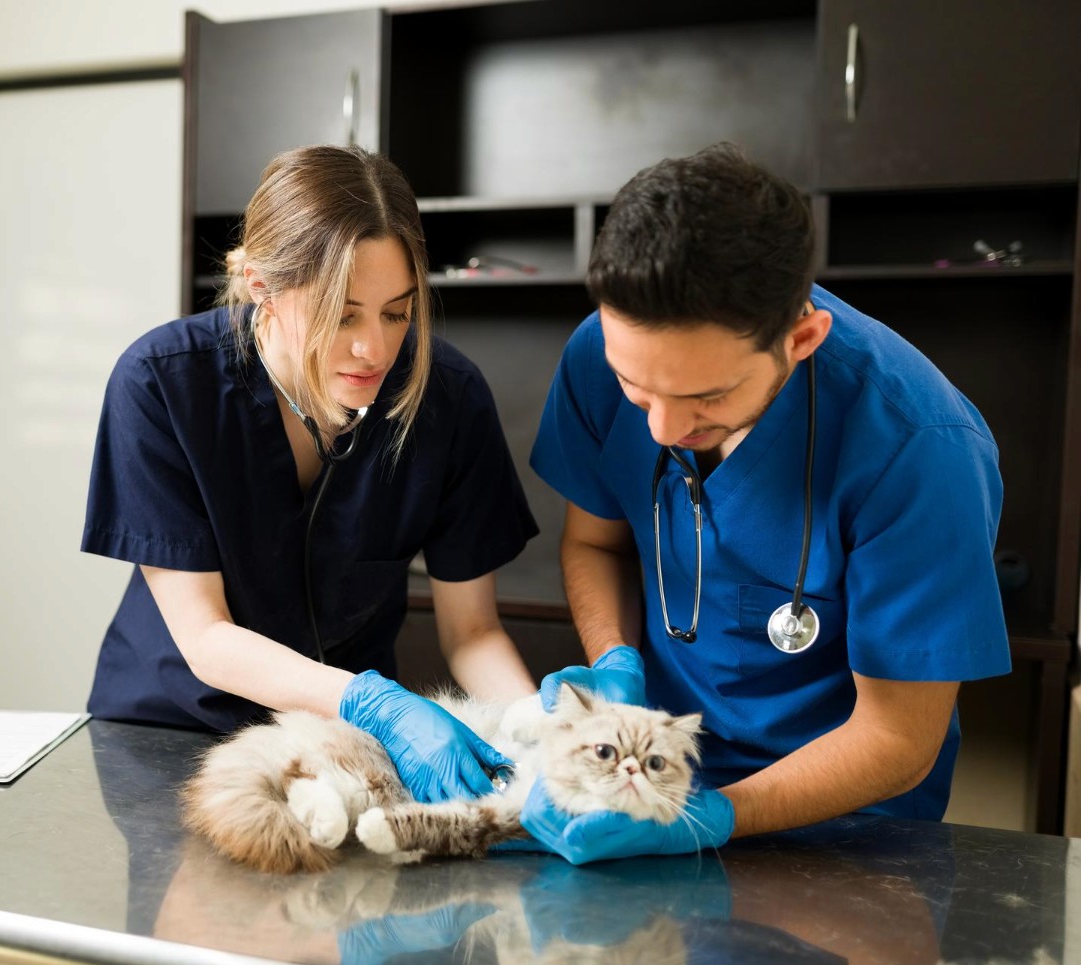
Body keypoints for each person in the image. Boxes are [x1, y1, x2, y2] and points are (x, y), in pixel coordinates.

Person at [521, 143, 1010, 863]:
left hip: (849, 834)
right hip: (654, 789)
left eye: (707, 397)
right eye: (636, 387)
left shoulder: (920, 445)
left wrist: (708, 818)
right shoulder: (602, 351)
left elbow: (898, 740)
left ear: (801, 339)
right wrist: (615, 660)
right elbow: (596, 543)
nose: (661, 427)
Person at [81, 143, 539, 802]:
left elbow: (472, 630)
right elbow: (206, 635)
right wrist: (375, 701)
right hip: (171, 738)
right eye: (342, 312)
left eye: (397, 311)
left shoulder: (448, 398)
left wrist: (543, 737)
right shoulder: (163, 384)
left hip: (343, 753)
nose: (374, 349)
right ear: (262, 287)